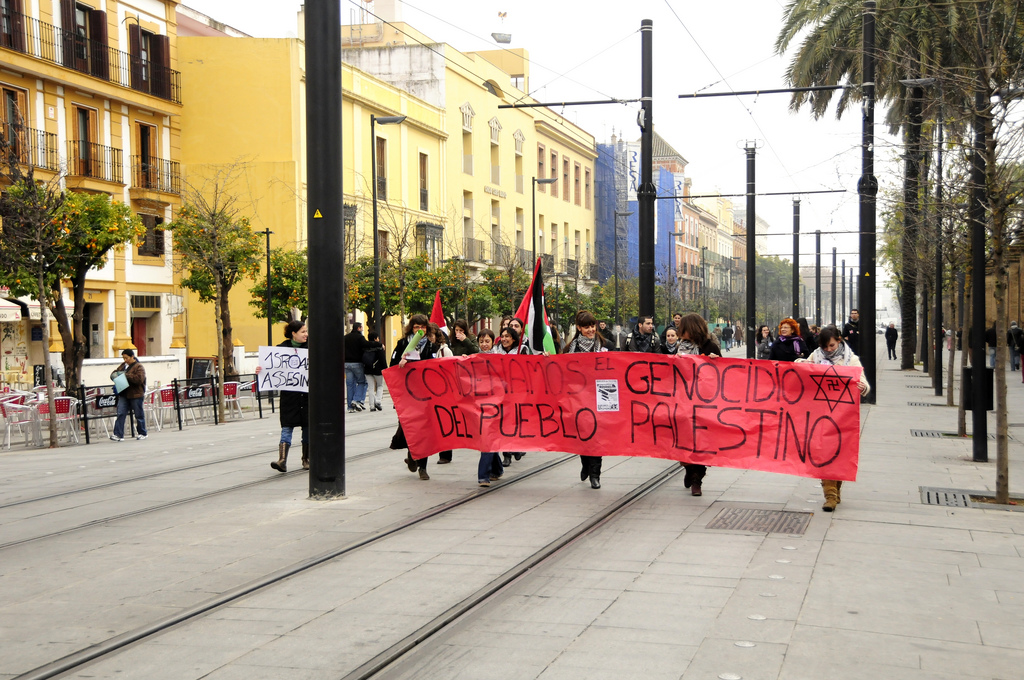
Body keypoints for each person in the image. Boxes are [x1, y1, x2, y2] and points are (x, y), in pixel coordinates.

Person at [797, 325, 870, 512]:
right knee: (824, 453)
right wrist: (801, 363)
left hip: (843, 416)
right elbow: (804, 368)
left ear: (839, 340)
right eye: (824, 347)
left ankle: (835, 491)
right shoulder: (816, 356)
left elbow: (864, 384)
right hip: (820, 416)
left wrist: (862, 387)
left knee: (839, 454)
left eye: (831, 345)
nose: (828, 350)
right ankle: (830, 496)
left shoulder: (851, 359)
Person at [675, 313, 721, 496]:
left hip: (704, 404)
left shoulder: (710, 346)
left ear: (691, 329)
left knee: (701, 441)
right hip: (684, 403)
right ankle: (689, 470)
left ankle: (697, 479)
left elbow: (721, 372)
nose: (679, 332)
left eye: (682, 328)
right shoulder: (680, 347)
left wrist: (715, 361)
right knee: (686, 441)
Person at [563, 311, 609, 489]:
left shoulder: (606, 345)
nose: (591, 330)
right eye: (587, 327)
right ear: (579, 328)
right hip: (578, 400)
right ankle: (585, 463)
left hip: (600, 398)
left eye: (592, 326)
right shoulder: (570, 349)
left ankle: (595, 474)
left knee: (597, 436)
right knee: (583, 435)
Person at [390, 314, 431, 479]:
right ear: (411, 328)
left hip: (426, 395)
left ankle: (423, 466)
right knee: (408, 428)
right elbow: (391, 366)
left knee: (425, 430)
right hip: (406, 395)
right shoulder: (402, 344)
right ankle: (412, 453)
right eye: (416, 327)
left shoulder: (430, 345)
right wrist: (401, 363)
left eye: (423, 327)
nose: (420, 330)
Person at [264, 321, 308, 471]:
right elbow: (270, 368)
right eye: (303, 331)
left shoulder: (312, 349)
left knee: (307, 427)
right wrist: (261, 370)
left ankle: (306, 459)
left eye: (306, 331)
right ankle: (282, 460)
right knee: (287, 426)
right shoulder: (281, 349)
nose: (306, 334)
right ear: (293, 333)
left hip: (307, 396)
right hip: (289, 396)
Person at [492, 325, 532, 466]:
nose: (504, 339)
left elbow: (532, 368)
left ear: (514, 339)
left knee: (516, 422)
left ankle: (517, 447)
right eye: (502, 336)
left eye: (507, 336)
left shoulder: (523, 350)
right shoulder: (495, 351)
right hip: (501, 393)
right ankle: (507, 454)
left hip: (518, 392)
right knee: (504, 423)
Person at [474, 328, 503, 487]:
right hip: (480, 404)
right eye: (481, 341)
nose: (484, 344)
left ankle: (483, 475)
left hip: (497, 404)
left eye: (487, 341)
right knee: (489, 436)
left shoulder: (499, 358)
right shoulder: (473, 359)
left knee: (488, 437)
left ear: (493, 342)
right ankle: (497, 469)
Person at [109, 349, 148, 442]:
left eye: (126, 358)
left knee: (138, 414)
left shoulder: (139, 367)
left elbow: (139, 379)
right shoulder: (123, 366)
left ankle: (142, 433)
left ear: (132, 357)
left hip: (136, 394)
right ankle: (118, 434)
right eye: (123, 358)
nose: (125, 360)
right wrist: (115, 375)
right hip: (124, 393)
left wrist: (126, 375)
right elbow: (114, 373)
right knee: (121, 413)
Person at [344, 322, 369, 413]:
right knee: (362, 382)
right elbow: (366, 345)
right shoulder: (360, 338)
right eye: (361, 327)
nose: (362, 329)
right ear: (359, 328)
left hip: (346, 363)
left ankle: (350, 407)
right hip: (357, 363)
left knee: (349, 385)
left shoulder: (345, 337)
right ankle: (356, 399)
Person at [362, 331, 387, 411]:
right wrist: (385, 368)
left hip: (367, 369)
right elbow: (382, 359)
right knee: (380, 385)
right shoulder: (379, 347)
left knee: (371, 387)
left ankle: (372, 406)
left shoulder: (365, 347)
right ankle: (378, 400)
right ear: (375, 338)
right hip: (377, 369)